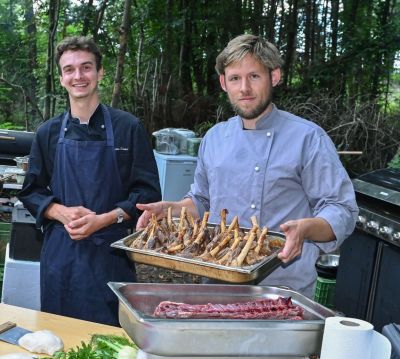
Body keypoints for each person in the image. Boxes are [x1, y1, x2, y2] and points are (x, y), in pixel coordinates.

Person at [137, 34, 358, 297]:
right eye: (235, 78)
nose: (245, 88)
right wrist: (170, 209)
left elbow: (341, 209)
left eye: (254, 76)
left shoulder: (308, 138)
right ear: (223, 83)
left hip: (284, 289)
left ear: (274, 77)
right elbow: (202, 201)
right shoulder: (214, 138)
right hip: (217, 282)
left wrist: (305, 229)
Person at [18, 36, 161, 326]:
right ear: (61, 78)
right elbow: (31, 191)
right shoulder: (48, 132)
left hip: (111, 254)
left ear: (100, 73)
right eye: (69, 70)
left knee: (109, 341)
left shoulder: (128, 128)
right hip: (61, 254)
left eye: (86, 67)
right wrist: (61, 212)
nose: (78, 76)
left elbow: (147, 193)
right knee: (59, 334)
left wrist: (106, 218)